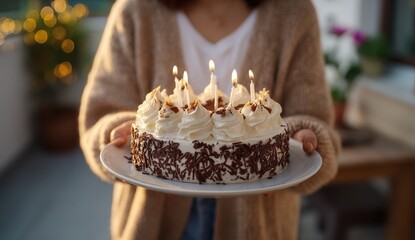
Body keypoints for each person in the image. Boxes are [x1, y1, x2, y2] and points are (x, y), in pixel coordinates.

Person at [79, 0, 340, 239]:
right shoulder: (135, 11)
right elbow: (99, 117)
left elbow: (312, 122)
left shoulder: (294, 12)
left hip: (258, 223)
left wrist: (303, 139)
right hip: (153, 221)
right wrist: (120, 134)